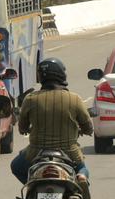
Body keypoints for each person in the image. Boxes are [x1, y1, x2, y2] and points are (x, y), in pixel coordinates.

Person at [10, 58, 93, 191]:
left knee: (16, 166)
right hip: (69, 151)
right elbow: (88, 126)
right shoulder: (74, 98)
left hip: (36, 152)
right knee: (82, 168)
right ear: (61, 75)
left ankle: (33, 186)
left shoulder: (30, 99)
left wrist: (26, 129)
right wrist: (84, 129)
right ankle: (81, 177)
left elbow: (22, 127)